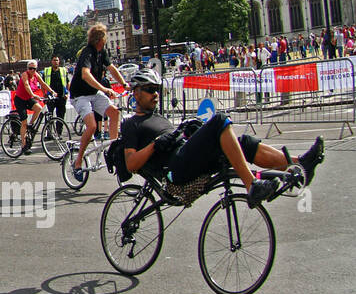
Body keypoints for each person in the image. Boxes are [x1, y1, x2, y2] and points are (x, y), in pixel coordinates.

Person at [119, 69, 323, 207]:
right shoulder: (131, 123)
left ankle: (298, 164)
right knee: (219, 120)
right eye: (150, 90)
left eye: (157, 90)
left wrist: (187, 131)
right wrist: (155, 145)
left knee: (243, 143)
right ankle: (252, 185)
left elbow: (178, 140)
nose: (155, 94)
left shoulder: (159, 116)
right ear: (136, 92)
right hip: (175, 170)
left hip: (187, 156)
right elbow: (131, 164)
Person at [69, 25, 126, 182]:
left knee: (114, 113)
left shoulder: (102, 53)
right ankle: (78, 162)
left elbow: (112, 68)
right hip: (80, 96)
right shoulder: (87, 53)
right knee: (92, 126)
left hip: (93, 93)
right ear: (101, 39)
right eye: (105, 37)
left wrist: (124, 83)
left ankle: (113, 150)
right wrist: (104, 88)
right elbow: (85, 75)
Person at [12, 61, 51, 154]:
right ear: (27, 68)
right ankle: (24, 145)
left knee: (38, 108)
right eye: (30, 68)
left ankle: (31, 124)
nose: (32, 70)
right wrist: (33, 95)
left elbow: (43, 84)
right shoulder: (24, 75)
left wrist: (52, 91)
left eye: (34, 69)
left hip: (28, 98)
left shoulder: (36, 75)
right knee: (24, 122)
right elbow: (26, 85)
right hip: (20, 99)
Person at [45, 55, 69, 125]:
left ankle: (59, 134)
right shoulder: (47, 71)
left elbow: (67, 82)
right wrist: (44, 93)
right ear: (51, 61)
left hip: (61, 97)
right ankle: (48, 134)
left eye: (57, 60)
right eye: (54, 60)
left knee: (61, 117)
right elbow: (43, 84)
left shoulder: (63, 71)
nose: (56, 62)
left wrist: (67, 93)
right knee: (49, 116)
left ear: (59, 62)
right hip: (50, 97)